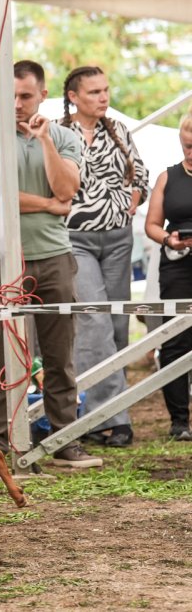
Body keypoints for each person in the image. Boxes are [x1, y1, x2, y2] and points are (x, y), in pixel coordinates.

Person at [0, 59, 101, 468]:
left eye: (25, 96)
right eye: (8, 96)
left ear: (43, 95)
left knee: (60, 356)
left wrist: (45, 142)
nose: (16, 104)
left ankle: (64, 440)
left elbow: (67, 188)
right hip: (2, 258)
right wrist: (47, 204)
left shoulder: (63, 136)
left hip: (55, 256)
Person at [60, 65, 148, 447]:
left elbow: (140, 173)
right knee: (93, 322)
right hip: (76, 239)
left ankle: (105, 412)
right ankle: (111, 418)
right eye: (94, 91)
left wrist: (134, 199)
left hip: (119, 239)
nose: (103, 97)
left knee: (117, 325)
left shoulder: (120, 130)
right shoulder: (56, 132)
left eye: (105, 90)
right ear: (73, 97)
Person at [143, 105, 192, 441]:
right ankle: (179, 421)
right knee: (175, 340)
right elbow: (152, 224)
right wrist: (168, 239)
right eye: (187, 145)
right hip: (177, 262)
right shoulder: (167, 177)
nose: (190, 152)